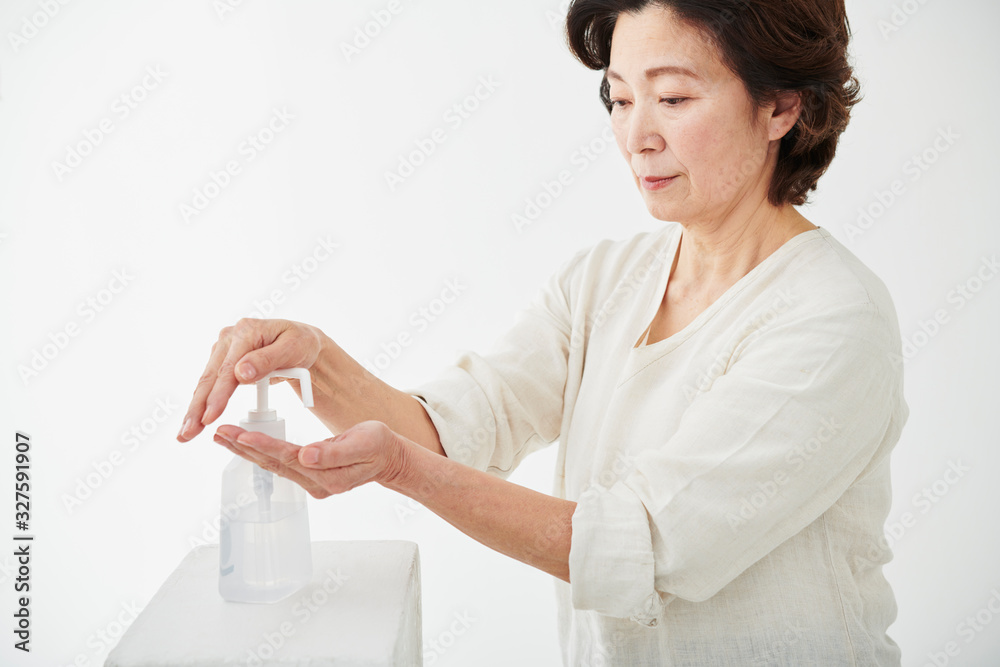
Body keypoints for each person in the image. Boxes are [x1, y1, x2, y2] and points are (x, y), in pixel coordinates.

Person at [177, 0, 909, 664]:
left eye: (673, 99)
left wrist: (400, 469)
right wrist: (317, 363)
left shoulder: (831, 317)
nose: (637, 137)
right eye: (620, 99)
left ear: (781, 106)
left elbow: (650, 546)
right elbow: (456, 429)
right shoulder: (605, 281)